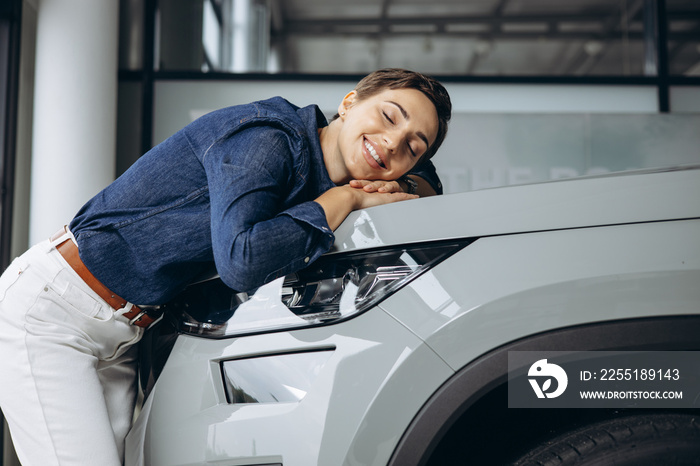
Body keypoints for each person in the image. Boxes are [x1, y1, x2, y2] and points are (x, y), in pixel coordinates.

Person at [0, 68, 451, 465]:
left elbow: (427, 190)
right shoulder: (267, 135)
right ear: (349, 103)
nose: (394, 143)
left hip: (123, 333)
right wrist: (347, 197)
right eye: (390, 117)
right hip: (54, 311)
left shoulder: (322, 182)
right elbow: (241, 259)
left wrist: (395, 185)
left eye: (414, 146)